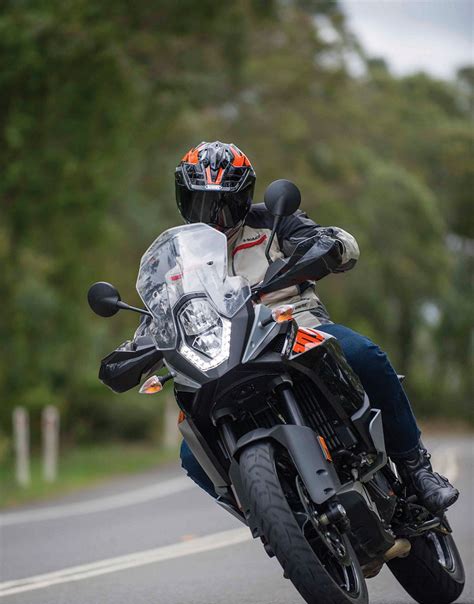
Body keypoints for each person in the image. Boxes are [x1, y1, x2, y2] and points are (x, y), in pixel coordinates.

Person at [103, 140, 458, 515]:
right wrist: (134, 349)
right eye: (201, 203)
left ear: (244, 198)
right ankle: (269, 517)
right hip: (219, 359)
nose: (214, 217)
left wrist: (328, 247)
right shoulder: (176, 261)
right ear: (183, 199)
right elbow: (158, 316)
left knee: (361, 353)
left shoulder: (273, 221)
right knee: (193, 455)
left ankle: (417, 469)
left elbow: (337, 244)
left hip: (294, 328)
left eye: (224, 204)